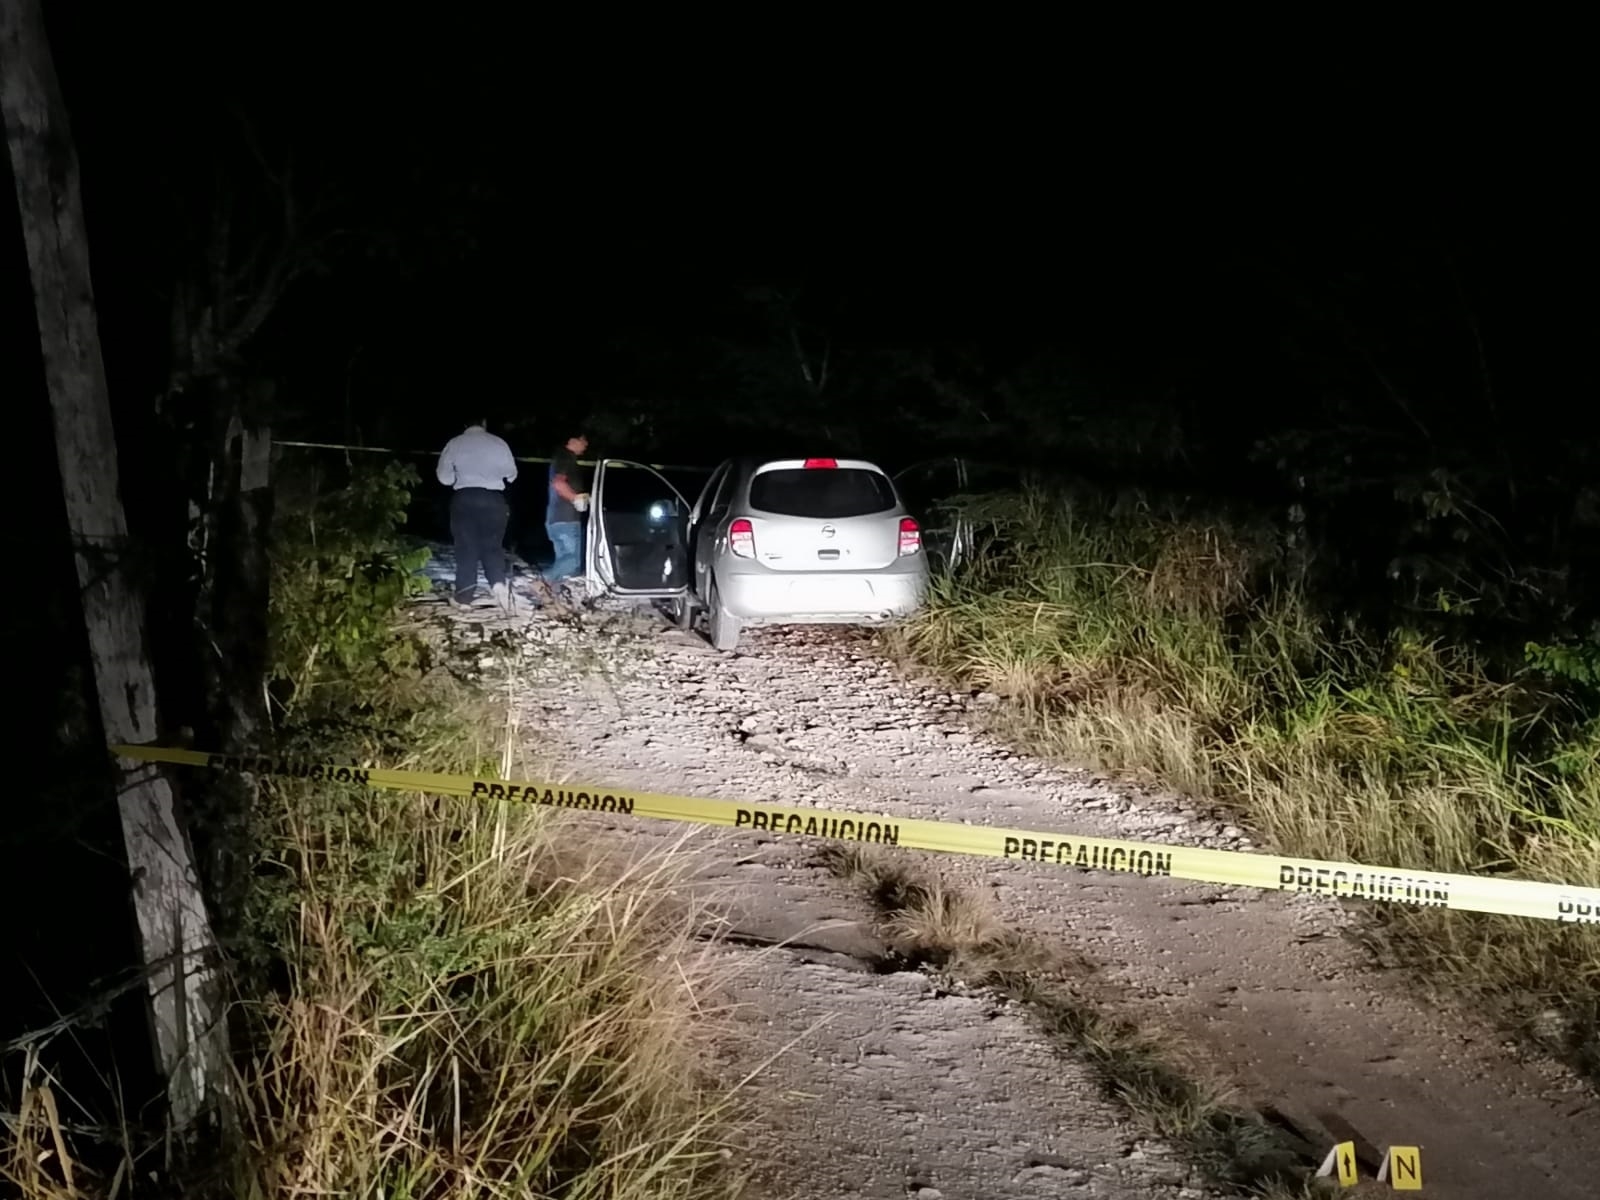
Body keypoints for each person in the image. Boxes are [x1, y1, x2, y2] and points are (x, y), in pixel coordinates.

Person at [436, 417, 518, 610]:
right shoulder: (499, 443)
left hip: (464, 499)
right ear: (484, 423)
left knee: (466, 548)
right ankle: (499, 589)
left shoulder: (454, 443)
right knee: (493, 546)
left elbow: (443, 478)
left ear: (465, 424)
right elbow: (512, 475)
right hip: (494, 500)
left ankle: (464, 597)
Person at [544, 431, 591, 590]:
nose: (586, 445)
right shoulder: (565, 457)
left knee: (563, 561)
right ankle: (543, 581)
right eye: (584, 441)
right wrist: (575, 498)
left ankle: (553, 595)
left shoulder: (561, 458)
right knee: (573, 560)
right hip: (565, 519)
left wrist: (581, 497)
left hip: (556, 518)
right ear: (572, 439)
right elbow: (558, 483)